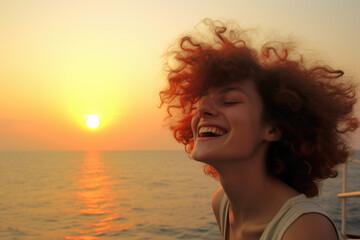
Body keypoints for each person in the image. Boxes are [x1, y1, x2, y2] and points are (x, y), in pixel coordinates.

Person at [159, 19, 358, 240]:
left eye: (230, 101)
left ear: (273, 128)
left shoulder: (305, 230)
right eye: (202, 99)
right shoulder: (222, 204)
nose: (203, 108)